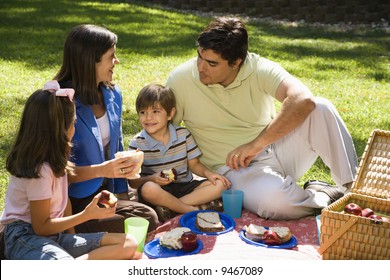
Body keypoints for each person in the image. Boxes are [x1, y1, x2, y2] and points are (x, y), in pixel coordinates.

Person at [166, 17, 358, 220]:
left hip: (276, 149)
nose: (201, 67)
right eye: (199, 57)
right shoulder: (180, 79)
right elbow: (164, 132)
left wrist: (256, 145)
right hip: (234, 170)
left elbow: (303, 99)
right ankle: (321, 196)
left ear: (236, 63)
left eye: (212, 63)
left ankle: (353, 190)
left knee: (320, 107)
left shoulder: (257, 67)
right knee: (277, 205)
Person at [0, 82, 139, 260]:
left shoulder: (56, 160)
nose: (74, 130)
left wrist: (72, 238)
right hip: (23, 237)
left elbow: (64, 203)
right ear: (60, 131)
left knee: (129, 243)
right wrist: (86, 215)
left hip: (53, 237)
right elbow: (41, 226)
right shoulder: (40, 169)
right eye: (73, 124)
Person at [54, 24, 158, 233]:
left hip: (104, 193)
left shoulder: (113, 94)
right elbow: (55, 170)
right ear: (90, 60)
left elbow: (116, 146)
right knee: (131, 226)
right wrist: (103, 170)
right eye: (111, 56)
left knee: (148, 217)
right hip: (71, 200)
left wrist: (122, 195)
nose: (116, 62)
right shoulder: (60, 101)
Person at [128, 84, 231, 222]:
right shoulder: (137, 143)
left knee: (220, 184)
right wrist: (152, 178)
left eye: (155, 111)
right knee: (148, 189)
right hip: (158, 191)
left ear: (170, 114)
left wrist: (209, 174)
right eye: (143, 112)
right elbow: (133, 183)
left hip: (184, 186)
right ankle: (191, 210)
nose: (148, 118)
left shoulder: (183, 135)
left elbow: (194, 165)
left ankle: (171, 208)